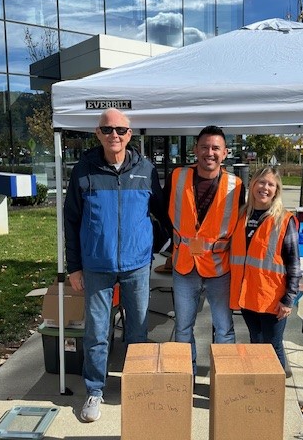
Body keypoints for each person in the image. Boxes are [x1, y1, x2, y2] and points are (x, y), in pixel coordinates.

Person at [64, 108, 168, 422]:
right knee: (97, 331)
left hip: (136, 264)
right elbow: (71, 220)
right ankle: (95, 390)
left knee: (137, 329)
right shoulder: (84, 170)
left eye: (120, 130)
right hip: (97, 264)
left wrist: (157, 248)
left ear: (129, 134)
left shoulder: (145, 169)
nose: (114, 135)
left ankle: (135, 385)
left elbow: (161, 214)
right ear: (97, 133)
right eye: (107, 129)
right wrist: (74, 267)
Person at [166, 125, 245, 375]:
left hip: (219, 269)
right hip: (184, 266)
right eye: (204, 147)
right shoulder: (177, 176)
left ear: (225, 153)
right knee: (182, 327)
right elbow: (160, 210)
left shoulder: (236, 185)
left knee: (224, 327)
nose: (209, 153)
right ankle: (184, 376)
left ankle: (223, 378)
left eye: (215, 148)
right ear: (195, 150)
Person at [229, 166, 301, 370]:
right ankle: (261, 385)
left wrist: (288, 299)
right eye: (261, 182)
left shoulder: (284, 220)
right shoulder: (242, 216)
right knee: (256, 341)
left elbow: (294, 263)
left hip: (272, 298)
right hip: (248, 296)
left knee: (272, 344)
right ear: (252, 185)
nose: (265, 187)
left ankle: (275, 389)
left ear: (276, 190)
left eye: (271, 184)